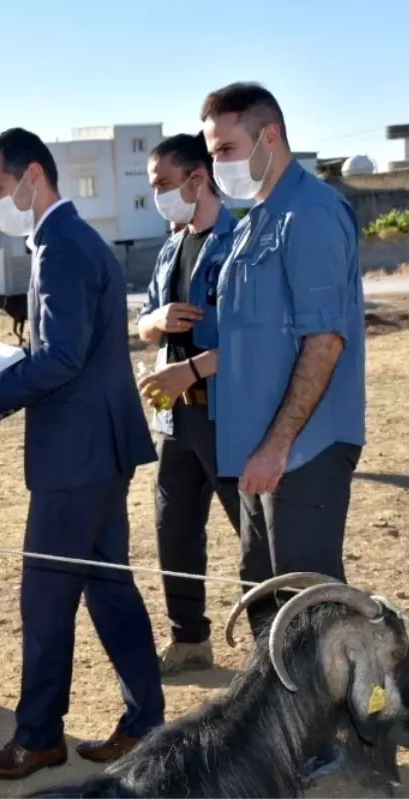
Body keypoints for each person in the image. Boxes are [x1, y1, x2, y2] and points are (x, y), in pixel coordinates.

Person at [0, 127, 164, 780]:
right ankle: (146, 723)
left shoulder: (59, 246)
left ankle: (38, 737)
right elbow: (69, 350)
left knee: (46, 597)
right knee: (109, 587)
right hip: (101, 448)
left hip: (77, 458)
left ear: (33, 177)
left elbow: (60, 357)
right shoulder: (77, 240)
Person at [198, 82, 366, 639]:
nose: (219, 165)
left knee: (311, 610)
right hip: (256, 449)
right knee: (265, 600)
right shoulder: (256, 221)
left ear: (269, 136)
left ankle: (353, 721)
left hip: (302, 447)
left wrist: (278, 445)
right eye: (214, 152)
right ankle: (284, 725)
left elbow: (325, 341)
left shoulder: (312, 212)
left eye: (226, 150)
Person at [135, 132, 242, 677]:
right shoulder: (172, 247)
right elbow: (145, 320)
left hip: (230, 417)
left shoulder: (242, 242)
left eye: (163, 184)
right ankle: (190, 640)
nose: (157, 195)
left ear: (198, 179)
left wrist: (193, 368)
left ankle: (280, 647)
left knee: (255, 538)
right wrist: (156, 321)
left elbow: (257, 339)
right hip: (175, 417)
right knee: (173, 530)